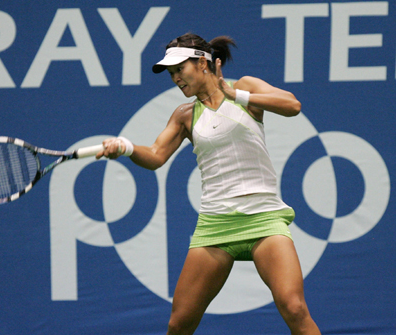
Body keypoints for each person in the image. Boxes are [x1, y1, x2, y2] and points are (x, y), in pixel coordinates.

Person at [97, 33, 321, 335]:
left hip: (264, 220)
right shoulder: (184, 115)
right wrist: (125, 147)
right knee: (179, 323)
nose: (176, 78)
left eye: (181, 69)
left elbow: (291, 105)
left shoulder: (246, 88)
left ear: (202, 62)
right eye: (172, 73)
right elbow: (155, 155)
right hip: (215, 226)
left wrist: (237, 96)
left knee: (294, 307)